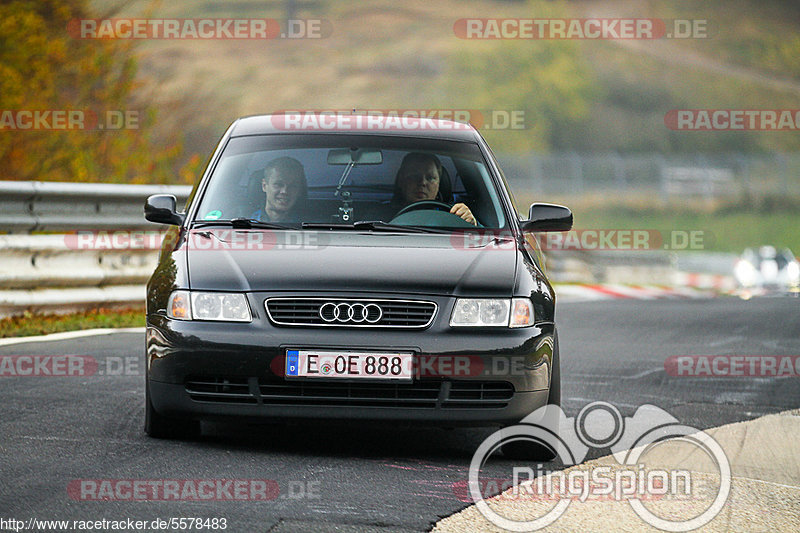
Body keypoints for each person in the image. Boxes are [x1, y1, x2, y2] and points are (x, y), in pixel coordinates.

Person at [389, 152, 476, 225]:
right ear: (401, 181)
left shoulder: (454, 215)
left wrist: (471, 223)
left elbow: (482, 239)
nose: (422, 182)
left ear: (439, 184)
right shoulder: (380, 216)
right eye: (415, 176)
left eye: (430, 178)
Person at [251, 156, 308, 222]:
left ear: (299, 190)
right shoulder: (244, 224)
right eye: (278, 184)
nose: (285, 191)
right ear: (264, 186)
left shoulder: (311, 227)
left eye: (292, 186)